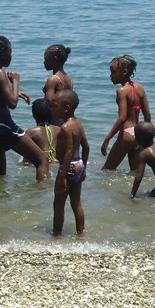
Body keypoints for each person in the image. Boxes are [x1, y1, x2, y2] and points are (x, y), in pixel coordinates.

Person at [0, 35, 49, 181]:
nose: (11, 57)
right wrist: (15, 82)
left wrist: (15, 92)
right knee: (42, 160)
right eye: (9, 54)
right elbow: (12, 104)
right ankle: (42, 195)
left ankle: (0, 201)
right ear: (2, 54)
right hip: (4, 126)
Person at [101, 55, 151, 172]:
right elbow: (147, 115)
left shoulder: (122, 91)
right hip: (138, 134)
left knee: (106, 170)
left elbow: (122, 117)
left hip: (127, 135)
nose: (110, 76)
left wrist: (107, 139)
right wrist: (147, 137)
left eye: (113, 72)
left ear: (124, 72)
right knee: (135, 172)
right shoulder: (139, 88)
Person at [51, 90, 89, 235]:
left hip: (68, 166)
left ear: (66, 108)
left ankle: (57, 233)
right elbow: (86, 147)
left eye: (54, 106)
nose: (52, 109)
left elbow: (68, 151)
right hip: (78, 164)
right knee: (76, 203)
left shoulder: (65, 128)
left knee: (59, 204)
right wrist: (83, 166)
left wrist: (62, 175)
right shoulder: (78, 124)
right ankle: (81, 232)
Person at [42, 44, 74, 126]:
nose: (44, 62)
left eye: (46, 59)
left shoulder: (53, 80)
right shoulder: (69, 79)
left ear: (54, 59)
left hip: (54, 122)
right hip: (64, 121)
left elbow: (48, 105)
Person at [24, 99, 60, 165]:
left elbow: (26, 158)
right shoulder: (59, 130)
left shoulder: (31, 132)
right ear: (51, 114)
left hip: (41, 166)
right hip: (56, 164)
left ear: (33, 115)